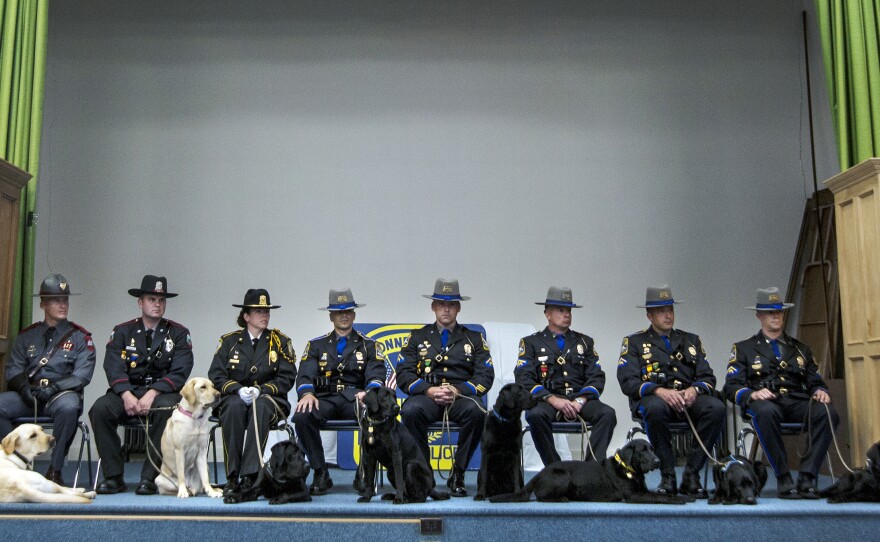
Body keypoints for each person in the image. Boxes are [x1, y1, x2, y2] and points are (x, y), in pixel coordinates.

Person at [724, 287, 839, 499]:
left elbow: (814, 380)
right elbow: (731, 387)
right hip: (764, 403)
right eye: (770, 312)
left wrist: (820, 390)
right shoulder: (744, 348)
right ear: (759, 316)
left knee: (827, 413)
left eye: (779, 311)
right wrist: (752, 394)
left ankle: (807, 477)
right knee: (766, 412)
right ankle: (784, 478)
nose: (776, 316)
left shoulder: (801, 349)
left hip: (795, 402)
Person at [616, 285, 725, 498]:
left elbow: (708, 377)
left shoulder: (690, 340)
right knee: (655, 409)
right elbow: (627, 381)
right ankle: (668, 475)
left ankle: (691, 474)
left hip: (688, 400)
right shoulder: (635, 342)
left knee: (716, 408)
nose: (668, 315)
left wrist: (694, 389)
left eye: (670, 310)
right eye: (661, 311)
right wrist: (658, 391)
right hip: (655, 400)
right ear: (649, 315)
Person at [90, 275, 194, 495]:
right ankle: (113, 476)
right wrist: (126, 394)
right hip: (128, 390)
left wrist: (153, 392)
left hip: (162, 393)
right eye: (151, 299)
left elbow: (181, 371)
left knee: (167, 410)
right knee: (100, 409)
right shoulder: (122, 331)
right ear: (140, 302)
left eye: (161, 300)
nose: (157, 304)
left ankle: (150, 477)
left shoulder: (178, 333)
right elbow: (113, 366)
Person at [396, 278, 494, 497]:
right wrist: (427, 390)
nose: (446, 309)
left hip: (459, 397)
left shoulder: (474, 338)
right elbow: (403, 373)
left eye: (451, 304)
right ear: (433, 307)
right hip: (427, 396)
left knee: (477, 411)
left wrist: (458, 390)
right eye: (441, 304)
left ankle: (458, 473)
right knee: (410, 411)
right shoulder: (417, 337)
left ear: (458, 307)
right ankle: (425, 473)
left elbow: (485, 375)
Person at [0, 274, 96, 485]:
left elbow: (82, 375)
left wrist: (54, 388)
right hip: (30, 397)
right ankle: (12, 465)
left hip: (59, 397)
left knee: (69, 407)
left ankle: (55, 470)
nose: (62, 305)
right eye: (55, 300)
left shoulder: (80, 338)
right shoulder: (28, 336)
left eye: (65, 300)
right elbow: (14, 368)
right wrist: (24, 388)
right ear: (43, 304)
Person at [292, 288, 387, 495]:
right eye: (339, 312)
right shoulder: (316, 345)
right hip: (324, 399)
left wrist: (368, 394)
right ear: (331, 316)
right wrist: (307, 393)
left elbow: (376, 374)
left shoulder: (369, 345)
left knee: (373, 413)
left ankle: (364, 472)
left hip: (355, 399)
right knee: (302, 416)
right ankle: (320, 471)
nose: (344, 315)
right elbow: (305, 374)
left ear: (354, 314)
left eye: (348, 311)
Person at [208, 288, 297, 496]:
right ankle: (232, 477)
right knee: (232, 406)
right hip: (235, 398)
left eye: (266, 311)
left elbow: (287, 377)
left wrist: (261, 390)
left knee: (261, 405)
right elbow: (216, 375)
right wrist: (237, 390)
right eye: (258, 312)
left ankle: (249, 476)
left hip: (269, 399)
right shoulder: (229, 342)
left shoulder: (280, 342)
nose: (264, 315)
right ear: (246, 316)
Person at [515, 286, 617, 465]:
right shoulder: (531, 342)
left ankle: (591, 469)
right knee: (534, 415)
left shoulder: (584, 342)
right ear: (548, 314)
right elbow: (524, 378)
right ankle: (555, 468)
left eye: (568, 310)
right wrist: (552, 399)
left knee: (607, 414)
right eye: (561, 310)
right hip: (548, 400)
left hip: (579, 400)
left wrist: (581, 400)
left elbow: (597, 375)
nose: (567, 314)